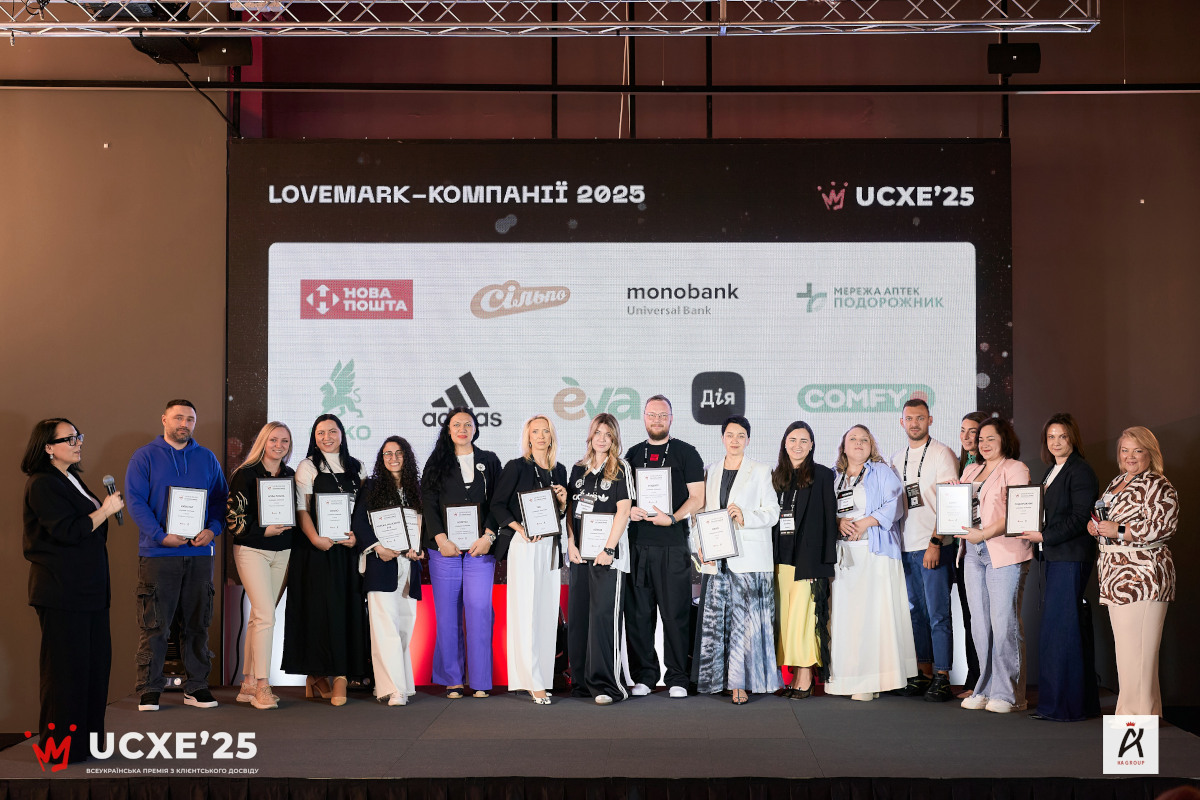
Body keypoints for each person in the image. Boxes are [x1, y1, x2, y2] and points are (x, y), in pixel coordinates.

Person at [22, 419, 124, 760]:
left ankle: (85, 745)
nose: (78, 443)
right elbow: (66, 531)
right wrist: (105, 510)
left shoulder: (71, 479)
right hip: (62, 592)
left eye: (79, 436)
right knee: (65, 674)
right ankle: (59, 750)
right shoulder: (42, 483)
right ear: (48, 447)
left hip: (90, 591)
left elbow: (88, 531)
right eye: (69, 439)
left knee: (93, 670)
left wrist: (101, 514)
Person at [126, 399, 228, 712]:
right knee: (155, 625)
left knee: (198, 623)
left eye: (190, 419)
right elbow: (136, 502)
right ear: (164, 420)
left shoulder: (207, 458)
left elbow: (220, 501)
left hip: (199, 553)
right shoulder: (144, 456)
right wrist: (160, 536)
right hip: (158, 553)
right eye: (178, 417)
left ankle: (196, 687)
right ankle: (149, 689)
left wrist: (212, 530)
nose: (184, 423)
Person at [1087, 426, 1178, 716]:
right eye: (1125, 450)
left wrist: (1118, 529)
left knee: (1138, 656)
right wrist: (1096, 526)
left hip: (1143, 577)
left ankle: (1133, 720)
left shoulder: (1159, 485)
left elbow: (1163, 527)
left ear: (1150, 453)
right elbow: (1106, 519)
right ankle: (1146, 715)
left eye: (1137, 451)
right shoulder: (1117, 482)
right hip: (1116, 576)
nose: (1130, 456)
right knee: (1130, 654)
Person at [1015, 413, 1100, 721]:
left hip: (1070, 557)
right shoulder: (1053, 470)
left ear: (1073, 438)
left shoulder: (1081, 471)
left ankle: (1064, 708)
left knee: (1062, 631)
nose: (1056, 442)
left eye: (1062, 436)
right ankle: (1076, 705)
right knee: (1062, 630)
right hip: (1055, 557)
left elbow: (1080, 519)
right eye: (1051, 437)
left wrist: (1044, 536)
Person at [282, 413, 369, 706]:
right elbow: (302, 509)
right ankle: (317, 675)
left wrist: (357, 537)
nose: (327, 437)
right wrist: (315, 538)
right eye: (320, 433)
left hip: (348, 551)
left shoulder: (358, 466)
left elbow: (363, 511)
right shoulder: (307, 466)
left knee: (348, 611)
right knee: (317, 612)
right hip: (316, 551)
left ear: (342, 434)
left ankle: (342, 675)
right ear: (314, 437)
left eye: (332, 431)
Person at [693, 416, 781, 704]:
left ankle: (740, 685)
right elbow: (702, 513)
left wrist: (746, 517)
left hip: (749, 560)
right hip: (717, 559)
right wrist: (700, 545)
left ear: (748, 440)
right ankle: (718, 681)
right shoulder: (711, 470)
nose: (735, 440)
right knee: (718, 624)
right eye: (730, 435)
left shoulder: (761, 471)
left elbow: (773, 512)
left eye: (741, 435)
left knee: (744, 625)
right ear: (722, 438)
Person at [825, 424, 916, 702]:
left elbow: (895, 504)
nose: (858, 443)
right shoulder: (834, 477)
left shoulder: (882, 472)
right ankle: (849, 677)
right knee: (846, 620)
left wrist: (866, 522)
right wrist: (837, 522)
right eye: (852, 438)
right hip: (844, 555)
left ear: (871, 446)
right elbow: (826, 510)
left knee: (872, 619)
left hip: (874, 553)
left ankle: (872, 680)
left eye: (864, 439)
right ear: (843, 446)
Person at [624, 395, 705, 698]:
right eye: (652, 415)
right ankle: (645, 676)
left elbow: (698, 498)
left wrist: (672, 518)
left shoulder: (687, 453)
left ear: (671, 418)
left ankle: (678, 678)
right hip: (637, 546)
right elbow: (623, 498)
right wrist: (631, 509)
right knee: (639, 616)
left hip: (673, 546)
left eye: (662, 415)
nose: (657, 420)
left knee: (675, 615)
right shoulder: (632, 454)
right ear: (644, 417)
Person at [421, 407, 503, 699]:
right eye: (456, 425)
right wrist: (440, 538)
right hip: (445, 550)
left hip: (480, 549)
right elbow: (428, 502)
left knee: (479, 610)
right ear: (448, 430)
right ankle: (452, 679)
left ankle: (480, 681)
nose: (462, 429)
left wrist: (489, 536)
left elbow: (498, 501)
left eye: (468, 424)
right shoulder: (437, 462)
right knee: (447, 614)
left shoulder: (489, 460)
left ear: (475, 429)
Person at [492, 415, 569, 705]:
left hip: (550, 545)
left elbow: (560, 514)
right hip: (524, 544)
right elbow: (498, 505)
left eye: (545, 431)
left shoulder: (559, 470)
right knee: (526, 611)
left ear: (552, 436)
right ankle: (530, 679)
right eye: (535, 431)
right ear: (527, 437)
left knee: (547, 613)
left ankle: (543, 678)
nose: (540, 436)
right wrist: (519, 529)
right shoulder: (516, 467)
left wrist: (563, 501)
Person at [888, 398, 961, 702]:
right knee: (915, 614)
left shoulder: (942, 453)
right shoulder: (896, 458)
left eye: (920, 418)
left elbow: (950, 502)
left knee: (938, 614)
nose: (914, 423)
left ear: (930, 420)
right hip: (906, 547)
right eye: (909, 418)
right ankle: (924, 672)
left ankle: (942, 675)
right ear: (901, 422)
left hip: (933, 546)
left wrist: (936, 542)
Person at [959, 417, 1032, 713]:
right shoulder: (970, 470)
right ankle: (986, 688)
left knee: (1004, 625)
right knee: (980, 626)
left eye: (991, 438)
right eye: (981, 439)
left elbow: (1018, 511)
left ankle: (1010, 695)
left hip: (1003, 551)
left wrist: (985, 533)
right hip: (972, 553)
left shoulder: (1015, 468)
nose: (984, 444)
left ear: (1004, 440)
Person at [565, 413, 634, 704]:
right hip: (580, 556)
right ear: (590, 435)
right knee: (579, 617)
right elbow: (570, 510)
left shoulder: (621, 468)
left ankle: (607, 686)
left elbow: (624, 510)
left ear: (614, 439)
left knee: (603, 619)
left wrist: (608, 549)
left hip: (608, 557)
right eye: (598, 433)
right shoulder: (578, 469)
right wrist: (570, 542)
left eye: (608, 434)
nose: (602, 439)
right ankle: (581, 682)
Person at [226, 421, 295, 710]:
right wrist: (262, 530)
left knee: (259, 616)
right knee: (266, 616)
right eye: (273, 440)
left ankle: (248, 683)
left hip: (283, 552)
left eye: (285, 441)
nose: (279, 445)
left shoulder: (290, 475)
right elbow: (234, 521)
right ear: (263, 442)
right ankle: (264, 687)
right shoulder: (245, 474)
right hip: (252, 550)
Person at [351, 437, 425, 706]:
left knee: (404, 626)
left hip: (409, 564)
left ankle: (400, 684)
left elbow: (424, 525)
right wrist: (377, 547)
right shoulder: (371, 487)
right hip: (381, 563)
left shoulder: (417, 489)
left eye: (398, 453)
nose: (393, 458)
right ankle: (394, 689)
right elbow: (359, 521)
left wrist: (421, 549)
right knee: (385, 628)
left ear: (407, 457)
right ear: (381, 459)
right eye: (387, 454)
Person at [772, 422, 836, 699]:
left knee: (805, 622)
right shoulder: (777, 476)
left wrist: (820, 564)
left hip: (806, 564)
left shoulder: (822, 475)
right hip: (779, 561)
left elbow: (828, 521)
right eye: (793, 439)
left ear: (811, 446)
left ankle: (806, 677)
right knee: (786, 623)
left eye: (804, 440)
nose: (797, 445)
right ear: (785, 443)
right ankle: (794, 677)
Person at [954, 411, 989, 697]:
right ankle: (974, 677)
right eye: (963, 431)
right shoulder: (961, 466)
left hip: (987, 548)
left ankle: (985, 680)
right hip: (962, 551)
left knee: (985, 618)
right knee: (969, 617)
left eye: (973, 431)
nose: (967, 437)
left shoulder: (995, 466)